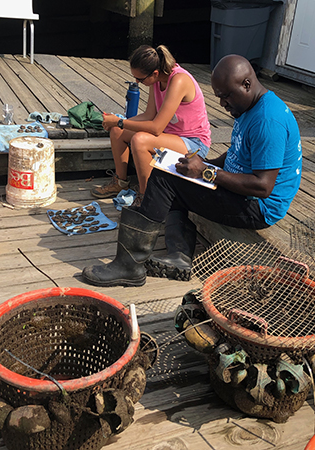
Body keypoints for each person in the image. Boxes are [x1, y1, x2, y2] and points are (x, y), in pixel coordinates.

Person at [82, 54, 302, 288]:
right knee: (174, 169)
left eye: (226, 96)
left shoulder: (268, 120)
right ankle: (179, 255)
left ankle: (129, 265)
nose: (222, 104)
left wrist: (207, 172)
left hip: (257, 207)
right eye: (219, 97)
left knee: (164, 179)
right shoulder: (249, 106)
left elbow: (263, 186)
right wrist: (203, 164)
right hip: (241, 190)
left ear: (246, 84)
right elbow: (237, 153)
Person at [91, 44, 212, 205]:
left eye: (140, 79)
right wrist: (116, 124)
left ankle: (146, 197)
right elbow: (149, 115)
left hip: (194, 143)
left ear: (154, 73)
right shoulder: (156, 79)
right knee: (117, 131)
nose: (137, 82)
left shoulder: (179, 80)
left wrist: (120, 121)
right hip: (171, 135)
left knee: (140, 140)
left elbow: (156, 128)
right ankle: (120, 182)